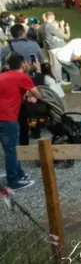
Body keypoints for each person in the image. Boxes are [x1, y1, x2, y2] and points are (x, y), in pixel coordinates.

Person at [0, 53, 42, 190]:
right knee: (12, 150)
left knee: (11, 149)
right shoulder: (22, 77)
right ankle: (13, 180)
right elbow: (38, 94)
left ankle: (19, 173)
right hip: (8, 117)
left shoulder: (2, 76)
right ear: (23, 64)